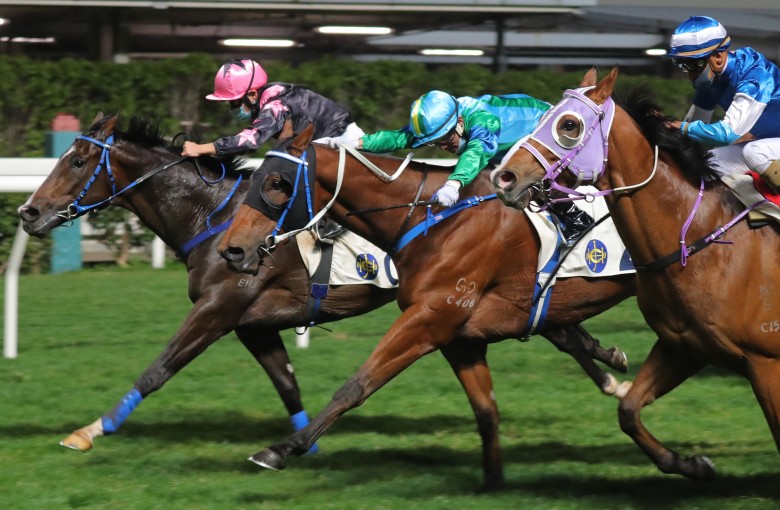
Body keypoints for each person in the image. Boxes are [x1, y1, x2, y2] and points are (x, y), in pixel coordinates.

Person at [347, 90, 594, 245]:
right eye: (435, 144)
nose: (443, 147)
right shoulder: (448, 120)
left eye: (445, 140)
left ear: (461, 122)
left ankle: (575, 219)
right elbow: (399, 138)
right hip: (510, 142)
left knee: (506, 176)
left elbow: (477, 152)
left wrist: (454, 184)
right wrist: (357, 142)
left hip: (541, 128)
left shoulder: (483, 119)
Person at [665, 15, 780, 194]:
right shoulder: (712, 80)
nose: (690, 75)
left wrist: (681, 127)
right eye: (684, 65)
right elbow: (689, 137)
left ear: (718, 57)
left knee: (754, 152)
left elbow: (727, 134)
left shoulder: (755, 75)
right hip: (770, 142)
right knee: (710, 162)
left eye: (694, 64)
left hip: (763, 146)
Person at [181, 59, 365, 158]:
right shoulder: (274, 95)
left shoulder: (276, 106)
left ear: (252, 94)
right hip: (328, 142)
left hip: (341, 143)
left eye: (235, 102)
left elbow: (250, 141)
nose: (231, 107)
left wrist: (202, 148)